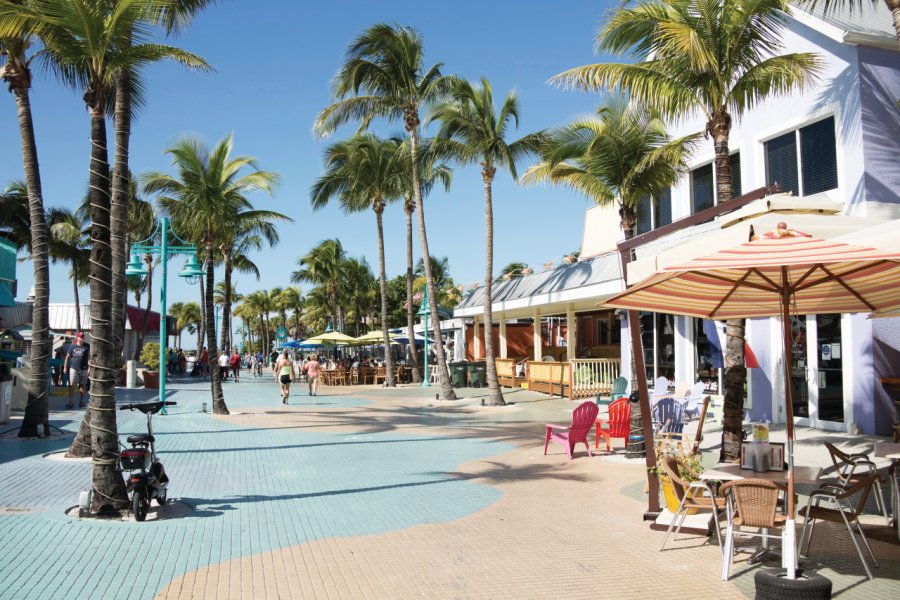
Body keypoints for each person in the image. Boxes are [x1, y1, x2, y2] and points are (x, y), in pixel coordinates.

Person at [63, 333, 90, 408]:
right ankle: (70, 401)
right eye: (80, 337)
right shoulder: (72, 346)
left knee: (82, 385)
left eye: (83, 337)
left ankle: (81, 401)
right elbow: (67, 357)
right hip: (73, 368)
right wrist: (65, 367)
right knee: (72, 385)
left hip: (83, 368)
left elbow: (89, 358)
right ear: (77, 338)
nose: (82, 338)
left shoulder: (87, 346)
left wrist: (89, 368)